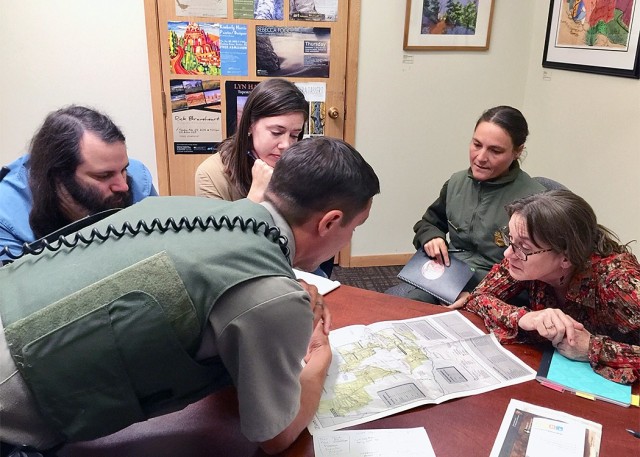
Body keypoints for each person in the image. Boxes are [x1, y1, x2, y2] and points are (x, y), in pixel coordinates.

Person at [0, 137, 380, 456]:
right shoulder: (268, 295)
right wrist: (319, 361)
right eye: (356, 227)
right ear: (329, 222)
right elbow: (275, 436)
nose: (349, 240)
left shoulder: (188, 210)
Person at [454, 190, 639, 384]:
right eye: (510, 239)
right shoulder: (522, 260)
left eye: (524, 247)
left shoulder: (620, 284)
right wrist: (524, 318)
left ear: (565, 257)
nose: (509, 253)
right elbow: (477, 297)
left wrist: (592, 348)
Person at [407, 105, 545, 304]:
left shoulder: (535, 201)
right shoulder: (456, 183)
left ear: (517, 151)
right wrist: (431, 237)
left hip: (500, 290)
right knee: (404, 310)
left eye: (495, 151)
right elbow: (429, 223)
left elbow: (539, 273)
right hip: (449, 276)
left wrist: (478, 298)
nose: (480, 158)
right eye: (476, 144)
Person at [195, 78, 334, 277]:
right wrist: (255, 196)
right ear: (250, 125)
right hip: (240, 271)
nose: (286, 145)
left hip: (288, 262)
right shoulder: (211, 173)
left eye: (295, 135)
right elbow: (217, 251)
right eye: (276, 132)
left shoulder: (295, 164)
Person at [0, 105, 157, 262]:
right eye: (103, 175)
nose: (123, 186)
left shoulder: (138, 178)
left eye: (123, 169)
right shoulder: (7, 218)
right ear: (59, 176)